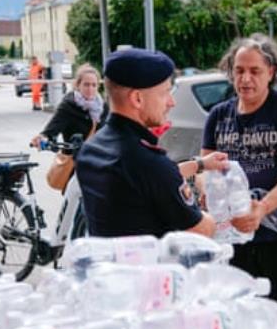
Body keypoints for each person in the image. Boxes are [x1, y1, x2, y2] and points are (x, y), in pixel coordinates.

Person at [201, 33, 277, 303]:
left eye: (255, 71)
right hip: (234, 237)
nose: (245, 79)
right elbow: (205, 168)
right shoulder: (218, 115)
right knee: (240, 311)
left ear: (271, 72)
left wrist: (262, 208)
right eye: (239, 70)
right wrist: (208, 192)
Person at [75, 48, 227, 238]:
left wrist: (200, 164)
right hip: (150, 266)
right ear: (137, 99)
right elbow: (201, 230)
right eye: (165, 93)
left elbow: (145, 185)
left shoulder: (91, 150)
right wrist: (220, 212)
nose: (171, 102)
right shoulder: (147, 162)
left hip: (109, 264)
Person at [30, 64, 109, 149]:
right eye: (86, 85)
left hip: (101, 157)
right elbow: (51, 130)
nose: (90, 89)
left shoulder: (103, 106)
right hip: (75, 157)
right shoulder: (68, 106)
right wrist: (42, 138)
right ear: (78, 85)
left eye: (94, 85)